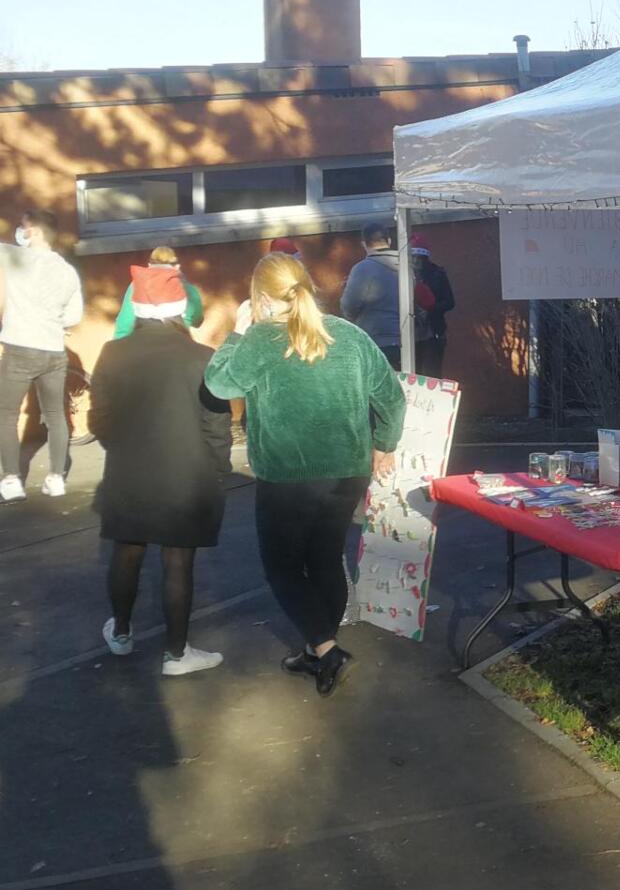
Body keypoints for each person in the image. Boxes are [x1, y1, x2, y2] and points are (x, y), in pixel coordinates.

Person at [206, 254, 405, 696]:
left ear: (261, 297)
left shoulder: (259, 339)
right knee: (325, 558)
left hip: (288, 477)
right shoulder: (349, 335)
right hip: (348, 472)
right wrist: (384, 445)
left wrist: (236, 333)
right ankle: (317, 652)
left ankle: (327, 649)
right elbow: (391, 396)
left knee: (283, 568)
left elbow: (219, 385)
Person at [90, 264, 233, 675]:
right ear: (179, 309)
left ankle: (120, 633)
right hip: (187, 476)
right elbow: (216, 424)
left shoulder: (112, 353)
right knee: (178, 562)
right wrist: (218, 469)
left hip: (128, 472)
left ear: (137, 309)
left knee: (126, 552)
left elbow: (99, 420)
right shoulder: (202, 358)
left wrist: (122, 449)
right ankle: (177, 654)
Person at [0, 210, 85, 501]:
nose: (19, 231)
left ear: (34, 231)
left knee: (6, 414)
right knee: (56, 415)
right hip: (53, 350)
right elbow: (74, 315)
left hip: (20, 348)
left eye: (23, 227)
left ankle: (12, 480)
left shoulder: (15, 257)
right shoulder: (67, 271)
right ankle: (56, 479)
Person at [341, 222, 435, 370]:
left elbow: (349, 306)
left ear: (364, 244)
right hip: (408, 341)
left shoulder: (362, 269)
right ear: (389, 241)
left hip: (376, 340)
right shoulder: (407, 267)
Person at [112, 247, 204, 340]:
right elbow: (197, 321)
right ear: (177, 267)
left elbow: (124, 325)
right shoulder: (189, 289)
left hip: (143, 343)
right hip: (178, 343)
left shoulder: (136, 286)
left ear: (149, 265)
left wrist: (118, 345)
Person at [409, 232, 457, 377]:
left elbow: (449, 302)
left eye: (420, 257)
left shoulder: (437, 274)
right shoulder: (401, 274)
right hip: (409, 333)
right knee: (412, 375)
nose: (416, 260)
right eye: (413, 257)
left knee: (432, 375)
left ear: (425, 257)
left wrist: (430, 309)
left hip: (433, 331)